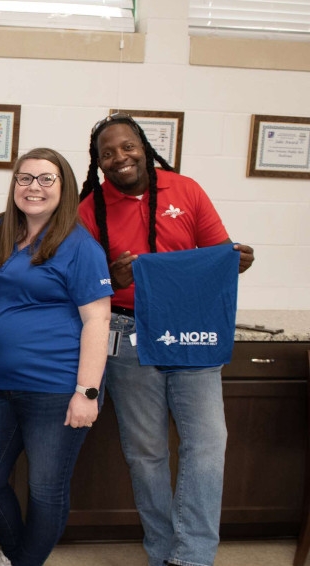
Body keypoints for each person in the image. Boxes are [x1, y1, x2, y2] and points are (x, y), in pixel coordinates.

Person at [78, 113, 255, 566]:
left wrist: (238, 259)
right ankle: (162, 553)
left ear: (144, 146)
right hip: (127, 332)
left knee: (208, 442)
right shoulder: (89, 209)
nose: (120, 158)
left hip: (191, 331)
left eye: (127, 146)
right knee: (145, 453)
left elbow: (222, 252)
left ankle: (193, 556)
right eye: (108, 153)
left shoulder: (186, 189)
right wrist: (110, 277)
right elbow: (82, 283)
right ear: (97, 163)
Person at [0, 148, 112, 566]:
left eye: (46, 179)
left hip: (57, 389)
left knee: (46, 490)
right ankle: (19, 558)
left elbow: (98, 320)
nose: (34, 187)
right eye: (25, 178)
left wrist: (87, 392)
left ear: (63, 187)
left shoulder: (80, 246)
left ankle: (22, 562)